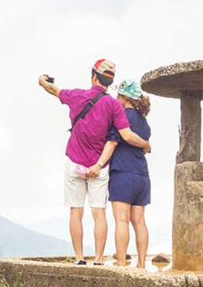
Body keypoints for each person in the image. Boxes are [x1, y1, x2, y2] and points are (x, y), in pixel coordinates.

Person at [38, 60, 151, 266]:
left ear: (93, 77)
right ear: (110, 82)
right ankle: (99, 259)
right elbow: (123, 135)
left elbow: (54, 90)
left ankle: (80, 257)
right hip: (100, 165)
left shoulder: (77, 95)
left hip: (75, 162)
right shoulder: (114, 105)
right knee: (99, 213)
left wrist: (42, 81)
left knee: (76, 211)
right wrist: (145, 144)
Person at [96, 79, 151, 268]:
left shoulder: (121, 117)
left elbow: (112, 143)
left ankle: (121, 263)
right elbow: (144, 145)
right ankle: (142, 263)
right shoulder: (144, 121)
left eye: (119, 95)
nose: (116, 98)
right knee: (140, 221)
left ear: (126, 97)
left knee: (121, 220)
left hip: (123, 173)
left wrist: (99, 164)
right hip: (142, 175)